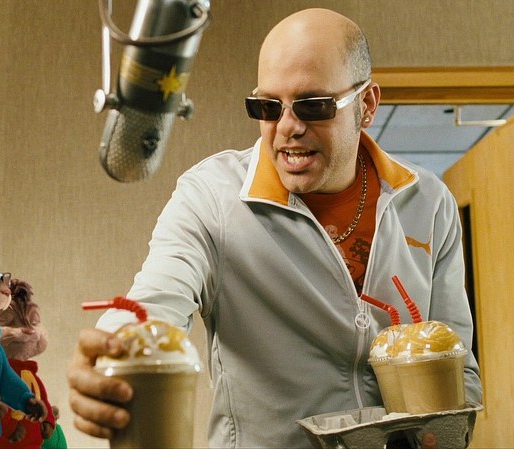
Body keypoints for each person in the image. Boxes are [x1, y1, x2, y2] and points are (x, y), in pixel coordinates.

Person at [67, 8, 482, 448]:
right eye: (267, 107)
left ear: (367, 105)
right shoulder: (210, 198)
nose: (287, 127)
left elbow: (458, 367)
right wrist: (112, 348)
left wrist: (445, 435)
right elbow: (155, 299)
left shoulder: (430, 203)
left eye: (313, 106)